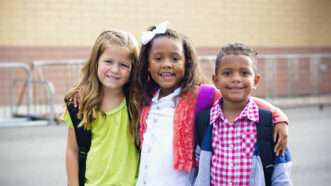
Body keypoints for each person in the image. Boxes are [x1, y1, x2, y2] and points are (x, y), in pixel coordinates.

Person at [132, 22, 289, 186]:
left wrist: (278, 117)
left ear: (186, 63)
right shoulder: (145, 97)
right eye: (158, 58)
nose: (166, 64)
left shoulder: (200, 95)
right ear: (147, 65)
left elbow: (241, 99)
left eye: (175, 58)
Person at [194, 43, 292, 186]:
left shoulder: (269, 124)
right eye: (227, 73)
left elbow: (281, 178)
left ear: (256, 80)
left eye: (245, 73)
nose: (236, 79)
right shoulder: (204, 121)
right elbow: (198, 170)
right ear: (216, 80)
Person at [63, 30, 140, 186]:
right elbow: (72, 150)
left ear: (133, 69)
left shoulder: (138, 103)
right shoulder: (80, 104)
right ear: (96, 61)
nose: (115, 70)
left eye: (124, 65)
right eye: (108, 61)